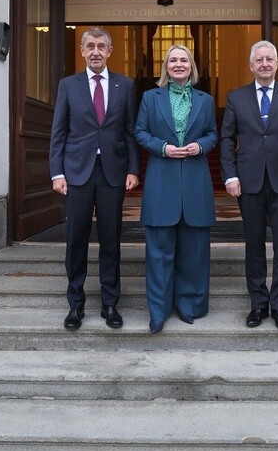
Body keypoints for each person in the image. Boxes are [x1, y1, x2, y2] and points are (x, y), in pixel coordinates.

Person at [49, 27, 140, 330]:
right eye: (90, 46)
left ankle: (110, 304)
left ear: (110, 51)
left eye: (101, 46)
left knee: (111, 240)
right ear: (82, 50)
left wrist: (133, 169)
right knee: (76, 240)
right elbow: (59, 131)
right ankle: (76, 305)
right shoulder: (68, 85)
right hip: (76, 172)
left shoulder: (124, 86)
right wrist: (57, 171)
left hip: (112, 172)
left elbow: (130, 131)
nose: (96, 51)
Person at [219, 40, 278, 330]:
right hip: (249, 182)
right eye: (259, 60)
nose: (264, 64)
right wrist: (230, 175)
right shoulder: (236, 98)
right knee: (254, 245)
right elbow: (226, 139)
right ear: (251, 66)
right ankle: (258, 304)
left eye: (269, 59)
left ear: (277, 64)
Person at [134, 44, 217, 333]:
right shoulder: (149, 97)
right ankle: (158, 312)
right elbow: (140, 132)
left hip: (196, 184)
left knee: (194, 253)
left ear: (191, 66)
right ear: (166, 67)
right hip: (161, 183)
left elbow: (213, 135)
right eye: (173, 60)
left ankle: (189, 306)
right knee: (158, 253)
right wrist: (163, 148)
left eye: (184, 60)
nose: (178, 64)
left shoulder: (206, 100)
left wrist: (200, 146)